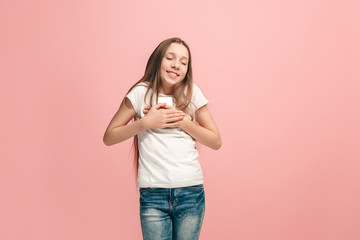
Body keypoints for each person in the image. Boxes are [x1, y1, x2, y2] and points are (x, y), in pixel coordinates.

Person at [103, 37, 221, 240]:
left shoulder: (192, 92)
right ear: (158, 60)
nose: (177, 65)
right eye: (170, 58)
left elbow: (215, 141)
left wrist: (182, 122)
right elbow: (109, 136)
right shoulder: (140, 93)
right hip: (153, 194)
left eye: (184, 62)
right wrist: (145, 123)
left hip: (190, 192)